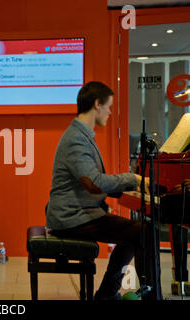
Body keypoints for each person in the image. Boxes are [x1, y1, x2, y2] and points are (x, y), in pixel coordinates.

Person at [45, 81, 160, 300]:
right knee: (143, 232)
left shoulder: (81, 135)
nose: (110, 111)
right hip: (72, 219)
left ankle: (107, 294)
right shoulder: (76, 139)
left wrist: (129, 186)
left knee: (137, 232)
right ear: (97, 104)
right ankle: (145, 295)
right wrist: (134, 179)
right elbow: (94, 183)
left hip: (80, 214)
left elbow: (93, 182)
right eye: (108, 106)